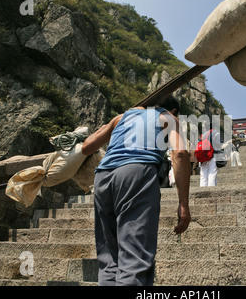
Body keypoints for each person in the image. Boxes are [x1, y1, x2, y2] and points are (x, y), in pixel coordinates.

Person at [82, 96, 191, 286]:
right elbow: (180, 153)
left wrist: (110, 124)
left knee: (109, 260)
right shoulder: (168, 117)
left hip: (103, 177)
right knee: (134, 257)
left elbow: (86, 147)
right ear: (173, 111)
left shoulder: (121, 117)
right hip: (136, 174)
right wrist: (183, 204)